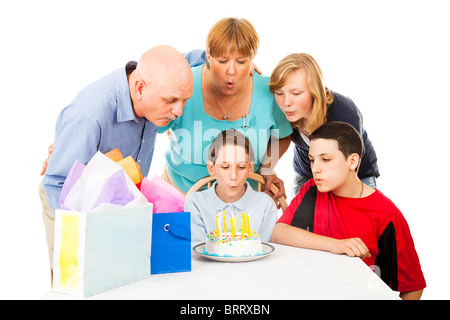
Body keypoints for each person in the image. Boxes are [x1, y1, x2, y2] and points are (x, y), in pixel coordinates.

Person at [40, 45, 194, 274]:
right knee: (81, 281)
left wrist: (231, 59)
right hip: (68, 204)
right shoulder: (89, 115)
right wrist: (88, 241)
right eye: (171, 100)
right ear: (140, 88)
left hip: (120, 204)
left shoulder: (159, 83)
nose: (179, 111)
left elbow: (187, 60)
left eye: (184, 100)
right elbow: (56, 183)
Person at [271, 121, 425, 300]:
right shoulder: (311, 189)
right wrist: (336, 245)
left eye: (326, 159)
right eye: (312, 160)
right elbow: (279, 233)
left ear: (352, 161)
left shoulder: (386, 213)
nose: (315, 168)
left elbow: (413, 286)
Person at [159, 18, 293, 199]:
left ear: (251, 61)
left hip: (244, 202)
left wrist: (268, 167)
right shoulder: (184, 85)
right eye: (222, 61)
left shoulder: (269, 93)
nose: (231, 71)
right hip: (180, 195)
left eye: (241, 62)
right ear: (208, 57)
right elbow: (150, 122)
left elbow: (282, 134)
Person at [269, 53, 379, 195]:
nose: (286, 102)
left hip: (355, 175)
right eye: (279, 93)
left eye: (296, 93)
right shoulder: (282, 110)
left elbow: (348, 171)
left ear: (314, 91)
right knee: (301, 216)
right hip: (308, 174)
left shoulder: (345, 114)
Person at [186, 129, 278, 243]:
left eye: (241, 167)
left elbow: (266, 250)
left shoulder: (265, 205)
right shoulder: (196, 204)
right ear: (211, 168)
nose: (233, 176)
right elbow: (197, 252)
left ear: (250, 168)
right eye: (225, 167)